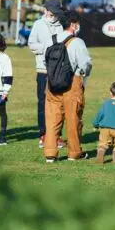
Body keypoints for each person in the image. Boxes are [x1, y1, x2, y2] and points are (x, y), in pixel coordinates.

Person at [44, 10, 92, 162]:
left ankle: (50, 154)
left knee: (52, 120)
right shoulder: (77, 42)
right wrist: (82, 75)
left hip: (51, 83)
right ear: (73, 25)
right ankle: (74, 153)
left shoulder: (50, 39)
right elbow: (86, 64)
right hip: (72, 83)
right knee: (73, 119)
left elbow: (45, 60)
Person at [28, 0, 65, 148]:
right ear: (45, 11)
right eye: (49, 12)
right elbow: (31, 44)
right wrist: (47, 48)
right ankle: (43, 134)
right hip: (42, 70)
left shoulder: (62, 25)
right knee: (42, 103)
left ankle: (57, 135)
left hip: (58, 71)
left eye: (54, 13)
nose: (51, 15)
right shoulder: (38, 25)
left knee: (58, 103)